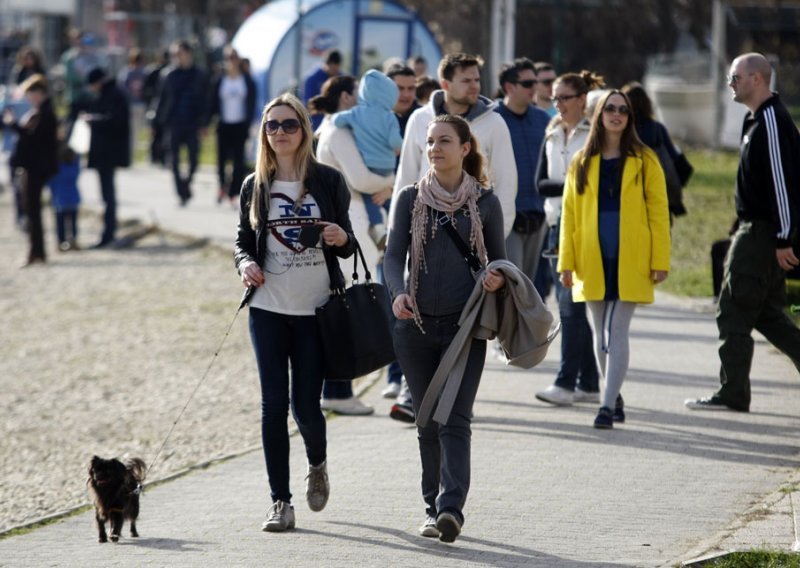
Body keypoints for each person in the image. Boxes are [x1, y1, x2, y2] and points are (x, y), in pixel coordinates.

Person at [234, 93, 356, 531]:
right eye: (272, 126)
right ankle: (280, 503)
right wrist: (245, 265)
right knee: (272, 406)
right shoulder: (255, 185)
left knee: (306, 404)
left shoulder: (328, 181)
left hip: (316, 312)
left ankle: (318, 463)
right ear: (264, 134)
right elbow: (242, 242)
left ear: (304, 128)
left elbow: (350, 246)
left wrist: (341, 237)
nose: (280, 132)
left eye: (289, 124)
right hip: (267, 310)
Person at [385, 114, 506, 543]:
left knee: (455, 418)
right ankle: (430, 506)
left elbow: (499, 261)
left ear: (465, 148)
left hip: (464, 329)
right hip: (413, 327)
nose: (435, 148)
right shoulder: (409, 199)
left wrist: (495, 277)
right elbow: (392, 256)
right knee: (426, 422)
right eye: (430, 141)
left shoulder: (486, 203)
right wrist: (397, 293)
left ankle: (450, 508)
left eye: (444, 141)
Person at [685, 53, 800, 412]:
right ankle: (733, 388)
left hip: (764, 234)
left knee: (733, 307)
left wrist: (785, 238)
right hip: (754, 230)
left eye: (735, 77)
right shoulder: (755, 121)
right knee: (765, 311)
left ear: (757, 79)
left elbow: (784, 186)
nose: (731, 84)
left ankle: (732, 392)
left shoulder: (772, 122)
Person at [557, 89, 671, 429]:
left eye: (623, 109)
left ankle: (606, 405)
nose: (617, 114)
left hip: (632, 255)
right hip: (591, 256)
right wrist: (566, 261)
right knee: (599, 332)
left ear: (630, 116)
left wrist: (660, 258)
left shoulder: (644, 159)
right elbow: (570, 215)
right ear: (599, 115)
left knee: (615, 328)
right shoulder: (581, 160)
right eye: (610, 108)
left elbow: (658, 212)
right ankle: (614, 394)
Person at [309, 75, 383, 416]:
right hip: (349, 217)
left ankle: (337, 388)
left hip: (344, 218)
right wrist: (397, 180)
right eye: (358, 95)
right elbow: (361, 179)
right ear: (345, 98)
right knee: (347, 306)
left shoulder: (329, 129)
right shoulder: (338, 132)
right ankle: (338, 389)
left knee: (342, 305)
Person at [535, 70, 604, 406]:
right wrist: (570, 187)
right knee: (571, 308)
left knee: (571, 309)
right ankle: (589, 383)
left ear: (581, 100)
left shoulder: (594, 135)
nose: (557, 104)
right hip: (554, 225)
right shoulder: (551, 132)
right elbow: (540, 184)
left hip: (582, 227)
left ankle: (565, 382)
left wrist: (568, 188)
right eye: (554, 98)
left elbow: (592, 187)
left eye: (564, 97)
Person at [394, 53, 517, 238]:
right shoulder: (420, 119)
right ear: (445, 84)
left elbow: (506, 183)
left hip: (475, 234)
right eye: (466, 80)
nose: (475, 86)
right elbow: (406, 178)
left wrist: (494, 238)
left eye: (476, 79)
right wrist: (396, 235)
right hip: (424, 231)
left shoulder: (495, 123)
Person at [494, 58, 550, 288]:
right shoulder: (492, 119)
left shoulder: (543, 120)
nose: (535, 88)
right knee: (513, 285)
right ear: (509, 87)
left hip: (538, 215)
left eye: (536, 82)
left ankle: (523, 326)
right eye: (528, 83)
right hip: (506, 218)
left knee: (529, 285)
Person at [332, 69, 402, 249]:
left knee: (369, 197)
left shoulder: (357, 113)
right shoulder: (389, 116)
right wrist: (397, 147)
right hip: (388, 165)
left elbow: (338, 121)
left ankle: (378, 227)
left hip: (369, 165)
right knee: (384, 198)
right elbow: (395, 141)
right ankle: (397, 225)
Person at [3, 74, 58, 267]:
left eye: (30, 93)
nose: (28, 98)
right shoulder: (40, 111)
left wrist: (13, 124)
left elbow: (34, 138)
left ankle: (37, 251)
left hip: (37, 167)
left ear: (38, 93)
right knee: (32, 210)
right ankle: (36, 250)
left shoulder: (45, 112)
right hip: (34, 166)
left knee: (33, 210)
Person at [74, 67, 131, 248]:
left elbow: (115, 121)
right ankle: (108, 231)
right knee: (107, 194)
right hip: (105, 153)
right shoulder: (109, 93)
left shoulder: (113, 94)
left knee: (108, 195)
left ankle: (109, 232)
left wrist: (93, 120)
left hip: (109, 153)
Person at [621, 82, 690, 219]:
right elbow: (675, 159)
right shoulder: (657, 128)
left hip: (628, 194)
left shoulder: (622, 130)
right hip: (658, 192)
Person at [155, 40, 208, 206]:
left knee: (194, 160)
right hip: (174, 122)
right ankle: (181, 191)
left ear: (188, 54)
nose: (177, 57)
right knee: (174, 161)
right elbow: (161, 99)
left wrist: (204, 123)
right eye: (175, 54)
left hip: (193, 122)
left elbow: (205, 101)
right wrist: (154, 123)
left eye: (180, 54)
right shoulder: (168, 74)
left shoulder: (199, 75)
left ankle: (186, 183)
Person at [207, 45, 257, 206]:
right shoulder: (220, 79)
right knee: (221, 159)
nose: (231, 61)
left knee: (238, 160)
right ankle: (222, 186)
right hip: (224, 125)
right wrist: (207, 122)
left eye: (234, 57)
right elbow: (213, 101)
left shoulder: (246, 80)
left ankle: (234, 191)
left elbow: (251, 102)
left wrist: (249, 122)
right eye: (228, 58)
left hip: (240, 125)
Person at [48, 142, 81, 252]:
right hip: (73, 200)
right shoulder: (74, 169)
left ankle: (61, 242)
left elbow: (50, 183)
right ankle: (74, 240)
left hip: (59, 201)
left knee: (60, 224)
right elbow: (78, 160)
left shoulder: (57, 171)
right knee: (73, 223)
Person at [142, 49, 171, 166]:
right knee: (155, 132)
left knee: (164, 133)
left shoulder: (170, 72)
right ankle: (154, 156)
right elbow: (146, 89)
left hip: (165, 106)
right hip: (154, 105)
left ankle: (163, 156)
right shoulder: (154, 71)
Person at [303, 50, 341, 131]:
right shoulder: (312, 79)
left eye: (337, 68)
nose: (335, 71)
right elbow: (308, 105)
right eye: (333, 68)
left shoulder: (340, 77)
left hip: (336, 125)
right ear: (326, 64)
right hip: (317, 125)